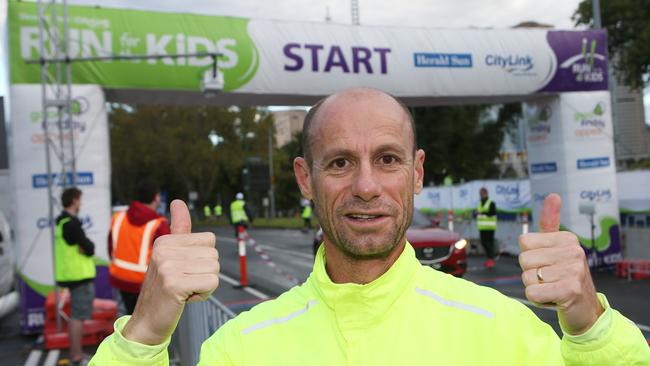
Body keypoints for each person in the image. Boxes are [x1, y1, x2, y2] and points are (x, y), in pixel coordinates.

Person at [91, 88, 649, 365]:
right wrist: (142, 337)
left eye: (387, 159)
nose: (365, 186)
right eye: (340, 163)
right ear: (305, 178)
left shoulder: (505, 331)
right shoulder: (239, 347)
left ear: (417, 172)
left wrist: (589, 326)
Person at [108, 180, 170, 315]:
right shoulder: (160, 224)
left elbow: (110, 248)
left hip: (120, 278)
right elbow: (167, 260)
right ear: (157, 198)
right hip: (145, 284)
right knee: (146, 326)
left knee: (124, 322)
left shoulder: (118, 217)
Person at [55, 187, 95, 366]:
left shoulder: (63, 223)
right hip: (78, 277)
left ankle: (75, 353)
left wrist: (85, 247)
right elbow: (89, 247)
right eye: (79, 199)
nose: (81, 203)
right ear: (74, 200)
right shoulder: (70, 224)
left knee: (75, 316)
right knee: (78, 317)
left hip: (72, 276)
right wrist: (86, 247)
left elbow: (84, 246)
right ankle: (77, 355)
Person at [476, 187, 497, 268]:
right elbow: (478, 213)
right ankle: (490, 258)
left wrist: (481, 212)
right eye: (480, 194)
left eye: (482, 194)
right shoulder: (480, 203)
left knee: (489, 243)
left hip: (490, 227)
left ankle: (491, 259)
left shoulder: (491, 203)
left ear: (486, 193)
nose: (481, 195)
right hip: (482, 227)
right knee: (483, 243)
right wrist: (476, 213)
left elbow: (492, 213)